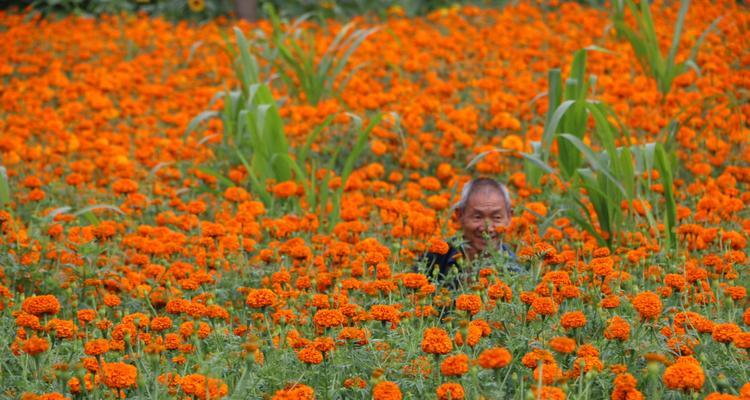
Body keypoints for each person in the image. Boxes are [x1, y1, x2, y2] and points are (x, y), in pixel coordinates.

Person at [416, 177, 525, 289]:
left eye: (496, 218)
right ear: (459, 215)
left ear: (509, 217)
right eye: (477, 217)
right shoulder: (435, 257)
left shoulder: (517, 273)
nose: (487, 228)